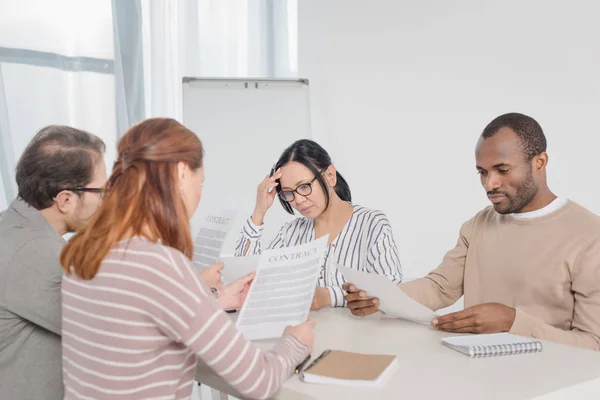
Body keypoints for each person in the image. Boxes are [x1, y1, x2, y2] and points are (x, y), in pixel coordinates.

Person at [59, 118, 315, 400]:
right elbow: (259, 381)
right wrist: (295, 342)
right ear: (181, 174)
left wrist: (213, 295)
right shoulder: (161, 265)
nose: (200, 192)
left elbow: (138, 316)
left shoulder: (83, 253)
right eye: (200, 181)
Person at [344, 112, 600, 351]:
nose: (490, 184)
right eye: (482, 172)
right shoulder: (479, 224)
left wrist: (511, 322)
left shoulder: (590, 236)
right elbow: (440, 287)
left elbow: (593, 344)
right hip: (478, 373)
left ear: (539, 162)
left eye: (502, 170)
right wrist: (380, 298)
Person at [0, 126, 107, 400]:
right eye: (101, 193)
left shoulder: (12, 225)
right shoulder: (35, 251)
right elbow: (111, 331)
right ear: (66, 199)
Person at [234, 139, 403, 310]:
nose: (298, 200)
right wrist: (259, 211)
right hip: (306, 333)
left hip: (361, 335)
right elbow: (246, 282)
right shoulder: (291, 233)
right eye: (288, 193)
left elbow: (391, 289)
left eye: (304, 186)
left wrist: (329, 297)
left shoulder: (371, 224)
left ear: (330, 176)